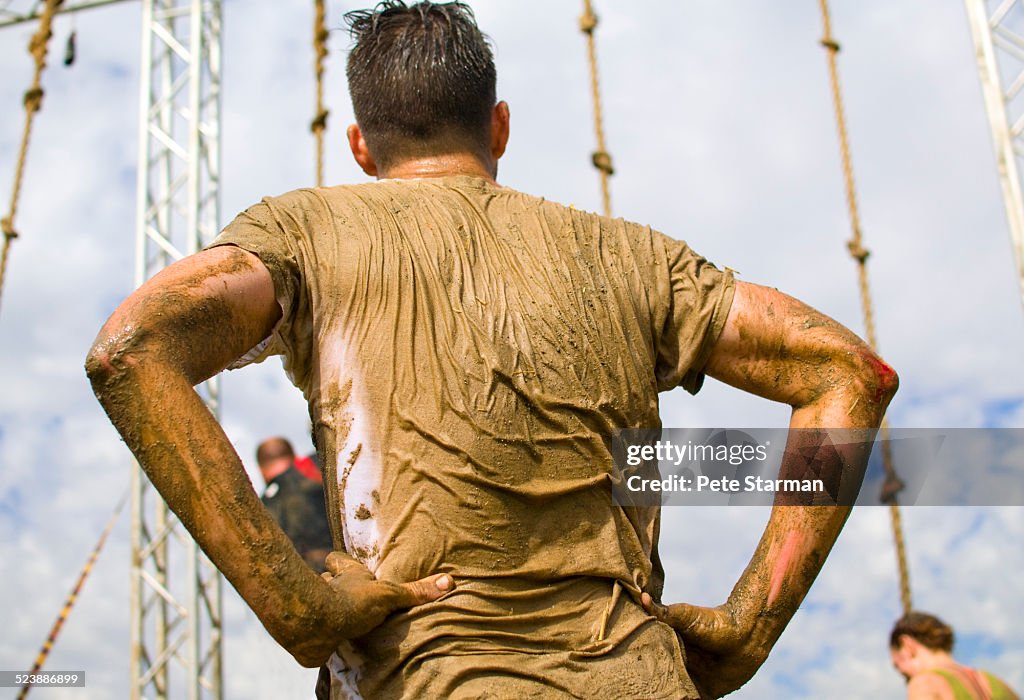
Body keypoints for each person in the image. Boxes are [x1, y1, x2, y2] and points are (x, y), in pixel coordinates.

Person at [85, 2, 898, 698]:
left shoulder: (304, 232)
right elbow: (848, 373)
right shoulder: (635, 258)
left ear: (364, 149)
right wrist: (750, 623)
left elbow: (133, 349)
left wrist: (298, 607)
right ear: (499, 124)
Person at [890, 611, 1019, 700]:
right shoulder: (998, 682)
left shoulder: (924, 682)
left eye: (897, 665)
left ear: (907, 644)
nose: (903, 675)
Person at [256, 437, 334, 573]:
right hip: (349, 563)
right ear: (294, 456)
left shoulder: (262, 507)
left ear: (261, 469)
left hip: (306, 579)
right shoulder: (316, 464)